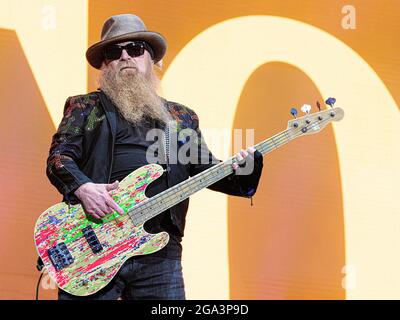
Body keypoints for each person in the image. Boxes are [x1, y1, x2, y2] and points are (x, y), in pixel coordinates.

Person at [46, 13, 264, 300]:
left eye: (135, 49)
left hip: (159, 250)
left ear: (151, 60)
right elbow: (59, 158)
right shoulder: (86, 107)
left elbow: (209, 173)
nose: (125, 57)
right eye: (114, 52)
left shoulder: (180, 118)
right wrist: (84, 189)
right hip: (95, 241)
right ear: (104, 64)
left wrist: (248, 166)